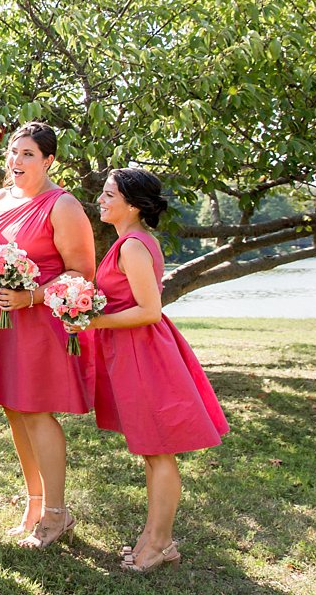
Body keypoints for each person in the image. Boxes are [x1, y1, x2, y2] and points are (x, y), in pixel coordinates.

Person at [78, 168, 228, 571]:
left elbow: (148, 311)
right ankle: (151, 537)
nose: (101, 201)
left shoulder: (133, 246)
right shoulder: (128, 242)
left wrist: (91, 321)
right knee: (150, 450)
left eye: (109, 195)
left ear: (132, 204)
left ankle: (161, 543)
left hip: (144, 355)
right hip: (130, 353)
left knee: (158, 451)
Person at [0, 122, 96, 549]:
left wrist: (32, 295)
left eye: (28, 153)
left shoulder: (63, 204)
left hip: (40, 319)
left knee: (35, 411)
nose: (16, 160)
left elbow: (81, 271)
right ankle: (34, 504)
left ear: (49, 160)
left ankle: (56, 512)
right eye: (14, 152)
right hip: (4, 319)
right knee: (14, 410)